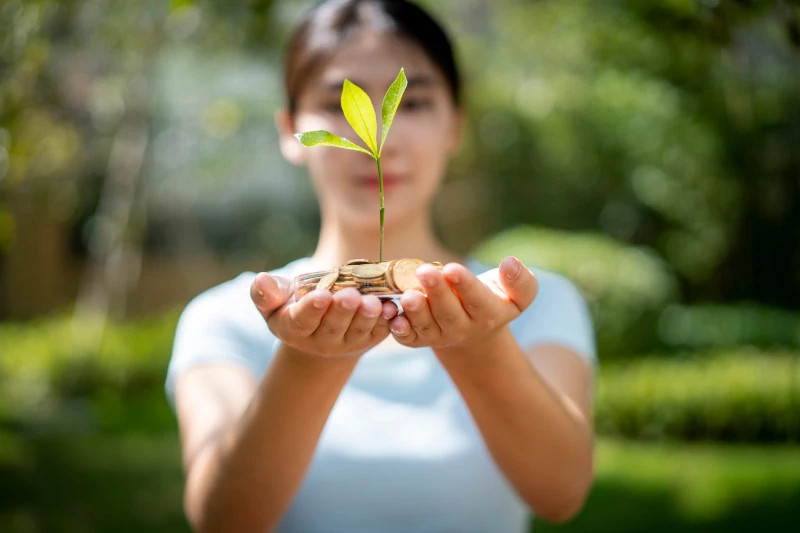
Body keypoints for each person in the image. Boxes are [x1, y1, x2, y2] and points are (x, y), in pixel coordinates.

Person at [165, 1, 596, 531]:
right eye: (337, 102)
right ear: (291, 130)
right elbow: (222, 520)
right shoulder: (228, 316)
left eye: (411, 104)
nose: (380, 138)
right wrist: (308, 360)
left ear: (455, 126)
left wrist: (477, 346)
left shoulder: (531, 303)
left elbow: (561, 493)